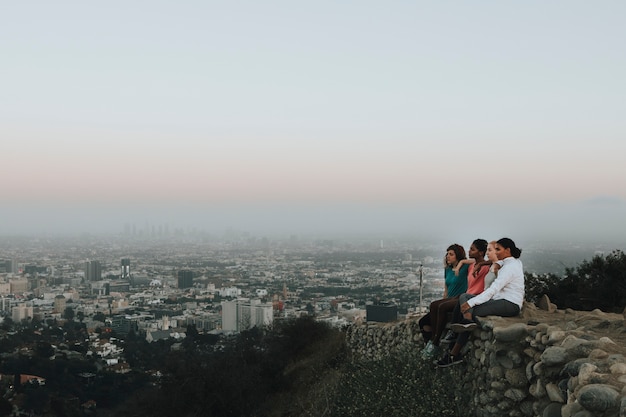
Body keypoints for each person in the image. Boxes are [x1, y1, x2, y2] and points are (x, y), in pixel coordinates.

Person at [436, 237, 524, 367]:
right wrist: (482, 264)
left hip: (509, 304)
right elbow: (495, 263)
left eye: (498, 249)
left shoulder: (509, 268)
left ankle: (453, 354)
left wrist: (471, 304)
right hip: (502, 300)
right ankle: (463, 325)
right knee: (464, 297)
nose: (496, 252)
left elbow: (493, 290)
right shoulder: (513, 262)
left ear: (508, 250)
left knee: (469, 309)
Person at [419, 243, 470, 359]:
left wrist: (462, 262)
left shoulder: (464, 268)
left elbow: (475, 261)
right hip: (448, 301)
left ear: (458, 255)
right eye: (447, 254)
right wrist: (442, 301)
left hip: (458, 300)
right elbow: (446, 290)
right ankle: (430, 343)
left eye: (451, 254)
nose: (448, 256)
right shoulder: (448, 270)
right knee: (423, 322)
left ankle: (434, 344)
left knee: (437, 308)